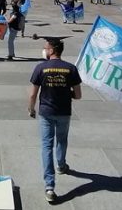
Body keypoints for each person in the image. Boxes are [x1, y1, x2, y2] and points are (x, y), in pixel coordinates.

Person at [27, 38, 82, 203]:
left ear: (52, 50)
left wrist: (31, 109)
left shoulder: (41, 68)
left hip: (46, 112)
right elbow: (78, 95)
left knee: (46, 145)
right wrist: (66, 93)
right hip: (64, 112)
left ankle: (49, 187)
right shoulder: (71, 68)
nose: (44, 50)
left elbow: (33, 94)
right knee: (62, 140)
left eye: (45, 48)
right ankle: (61, 165)